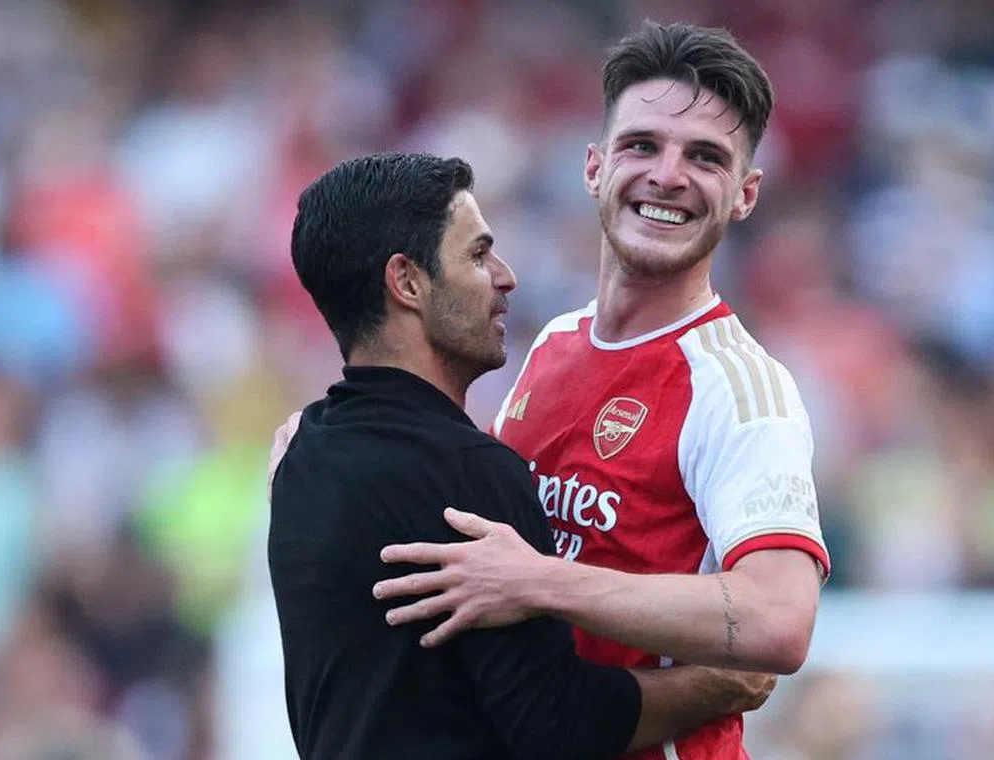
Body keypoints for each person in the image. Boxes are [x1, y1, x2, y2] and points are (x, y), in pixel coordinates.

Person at [371, 21, 831, 760]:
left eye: (705, 157)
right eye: (642, 145)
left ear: (745, 195)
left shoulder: (740, 387)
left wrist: (542, 582)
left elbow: (780, 620)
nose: (668, 175)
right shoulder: (553, 343)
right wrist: (333, 434)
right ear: (594, 166)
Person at [267, 151, 780, 760]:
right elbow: (555, 726)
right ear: (407, 282)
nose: (505, 276)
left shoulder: (300, 456)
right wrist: (721, 683)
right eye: (478, 255)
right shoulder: (470, 473)